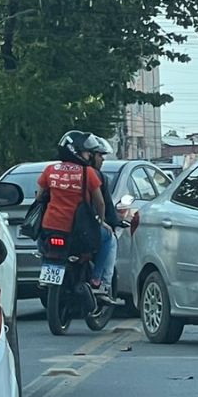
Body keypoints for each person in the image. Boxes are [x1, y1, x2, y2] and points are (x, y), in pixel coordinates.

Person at [37, 130, 113, 298]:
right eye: (87, 152)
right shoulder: (88, 173)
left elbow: (39, 196)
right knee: (109, 238)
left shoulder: (50, 170)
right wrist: (101, 221)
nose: (89, 156)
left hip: (50, 226)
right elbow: (100, 202)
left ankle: (45, 271)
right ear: (76, 152)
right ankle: (98, 281)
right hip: (78, 230)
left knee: (42, 244)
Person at [89, 136, 124, 304]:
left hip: (54, 228)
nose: (102, 159)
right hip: (84, 228)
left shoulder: (54, 171)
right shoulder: (93, 176)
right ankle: (101, 283)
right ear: (89, 155)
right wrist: (108, 221)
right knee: (110, 239)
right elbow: (104, 205)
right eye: (99, 155)